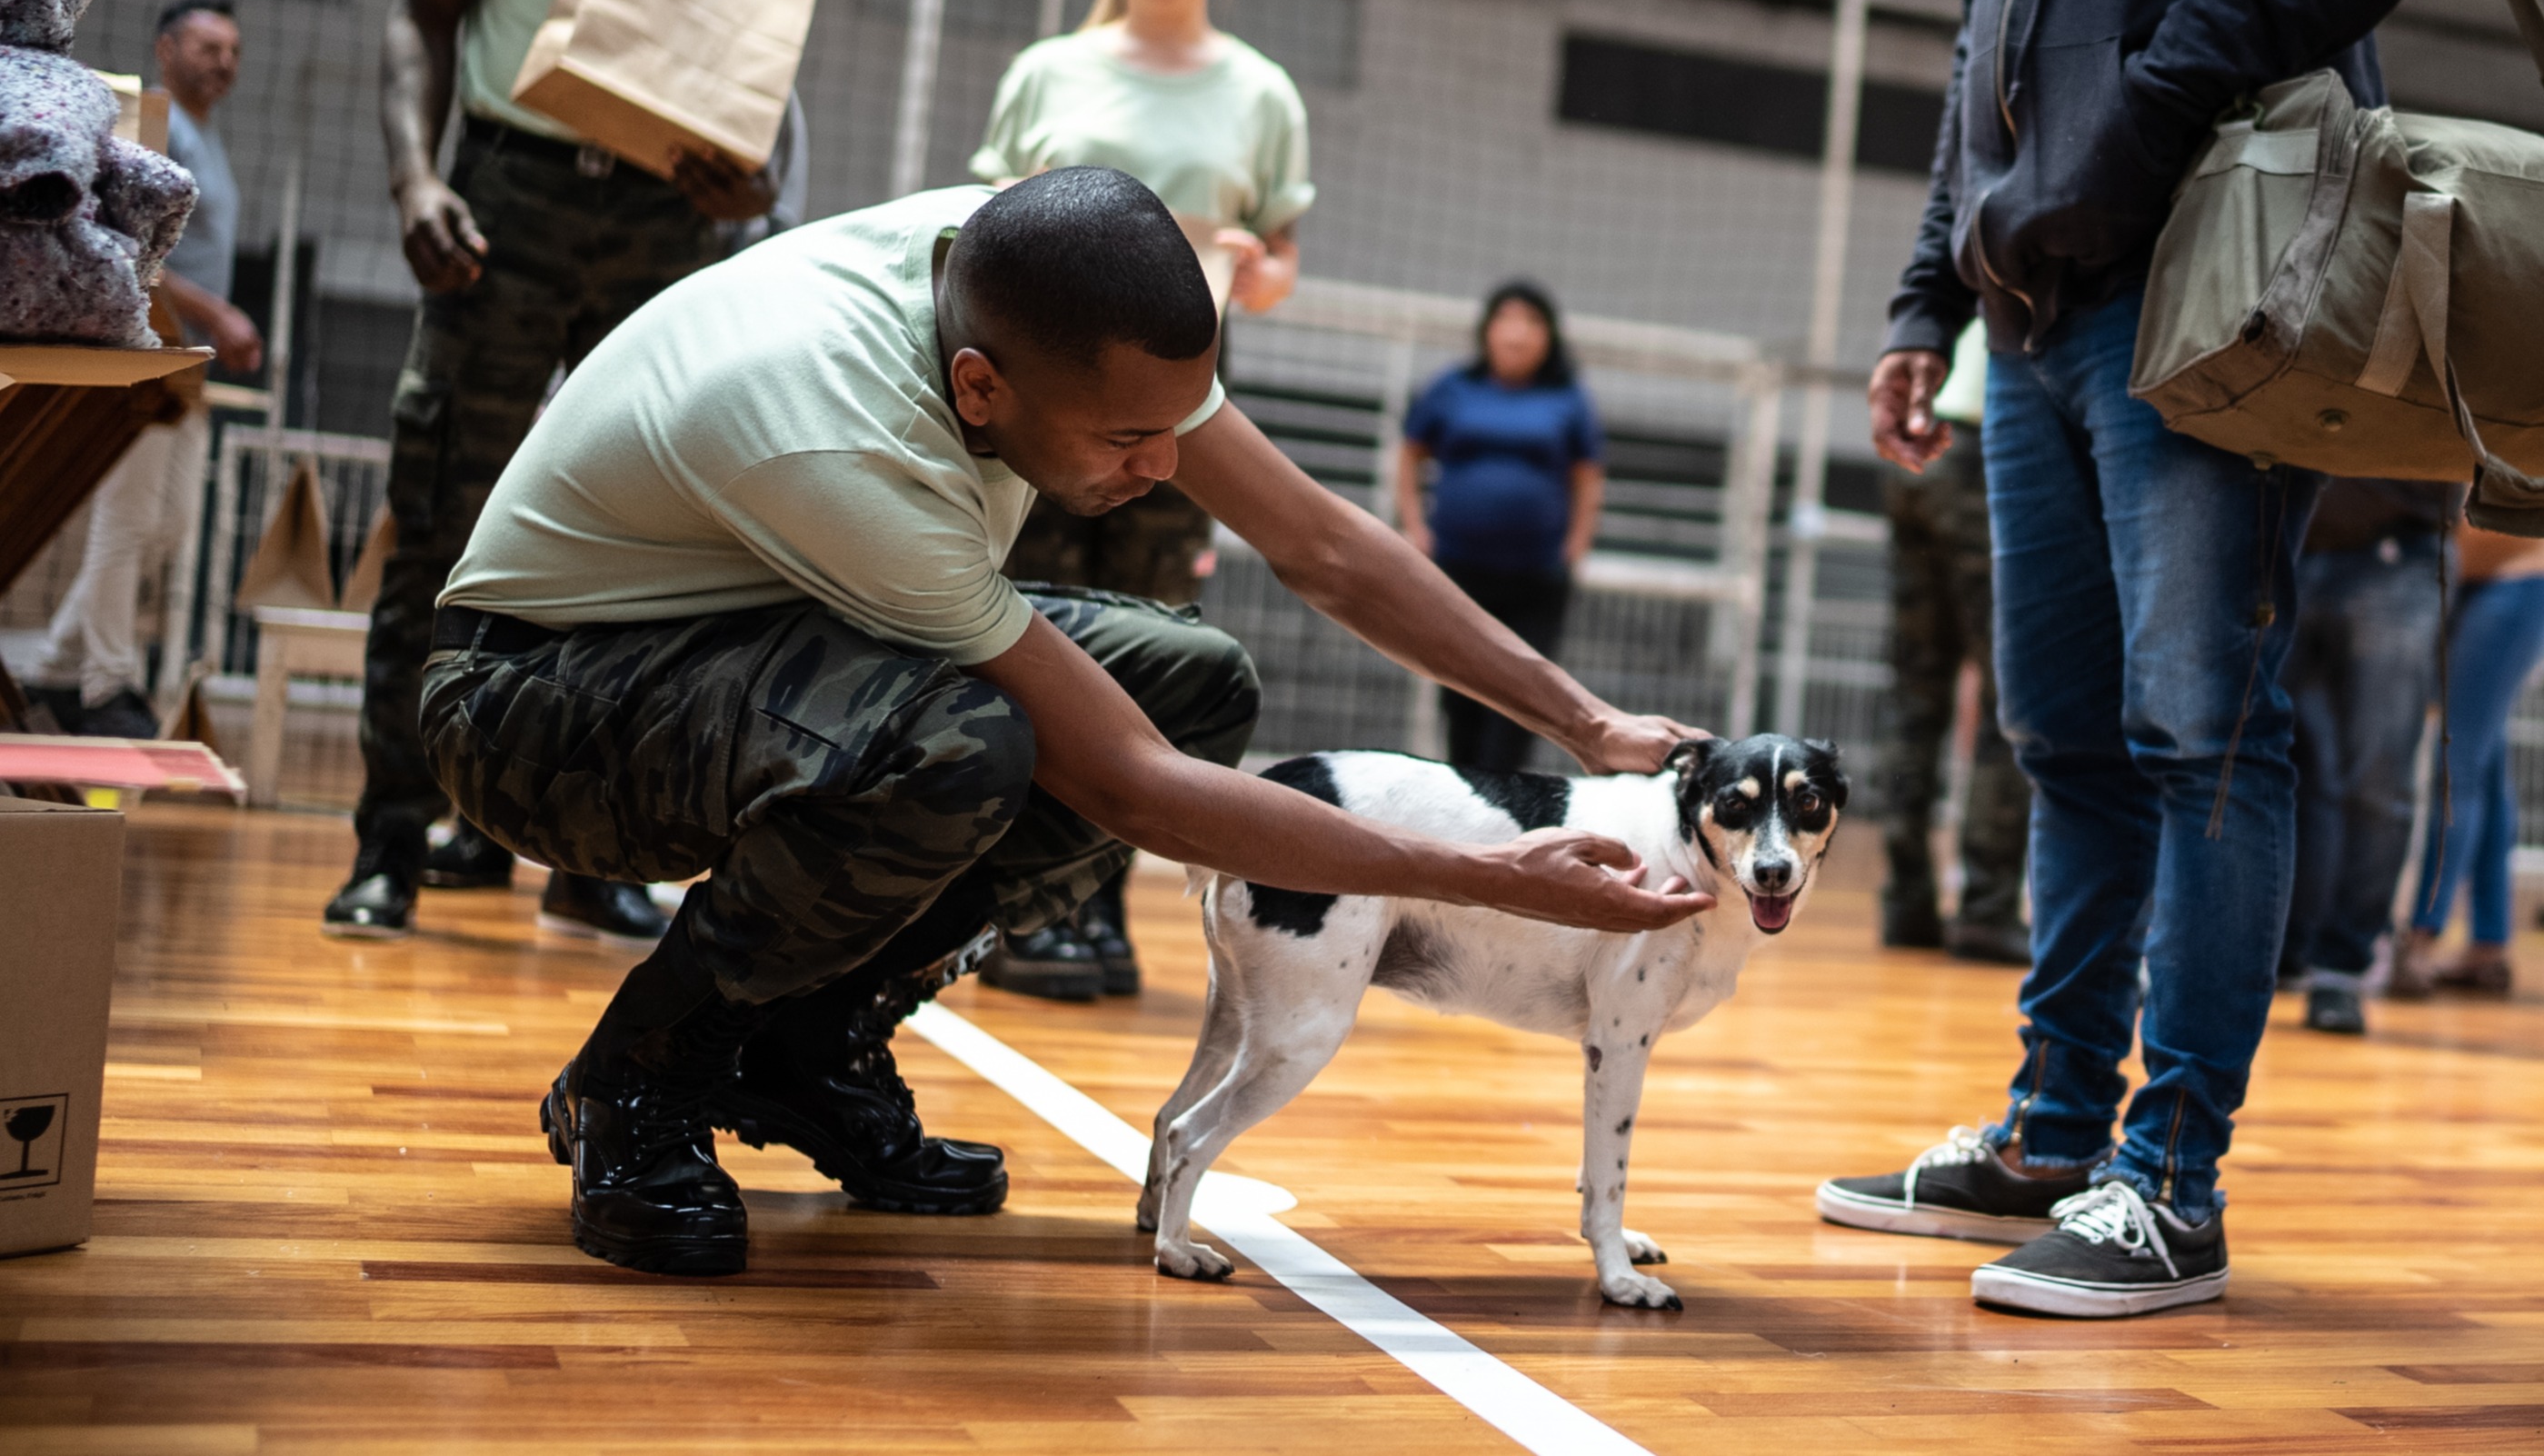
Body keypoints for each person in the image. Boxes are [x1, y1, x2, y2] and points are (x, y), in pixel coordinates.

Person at [422, 167, 1707, 1277]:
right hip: (537, 705)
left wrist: (1585, 722)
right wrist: (1483, 875)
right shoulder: (848, 440)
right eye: (1130, 439)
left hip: (745, 632)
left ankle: (811, 1042)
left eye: (1177, 426)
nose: (1163, 468)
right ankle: (641, 1077)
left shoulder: (1031, 278)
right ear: (981, 389)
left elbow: (1319, 541)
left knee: (1190, 674)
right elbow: (1137, 789)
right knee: (954, 742)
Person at [1813, 0, 2437, 1320]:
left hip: (2209, 301)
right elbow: (1975, 61)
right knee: (2065, 740)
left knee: (2203, 731)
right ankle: (2053, 1126)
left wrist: (2144, 97)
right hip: (2029, 316)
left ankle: (2172, 1178)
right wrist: (1925, 288)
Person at [323, 0, 792, 947]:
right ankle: (389, 846)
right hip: (504, 195)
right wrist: (415, 177)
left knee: (647, 548)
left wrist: (748, 182)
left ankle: (593, 857)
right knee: (446, 525)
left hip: (664, 227)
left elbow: (751, 113)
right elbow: (418, 19)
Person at [964, 0, 1311, 1002]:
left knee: (1154, 646)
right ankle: (1012, 909)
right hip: (1045, 409)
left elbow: (1278, 265)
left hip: (1181, 417)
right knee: (1038, 640)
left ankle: (1094, 899)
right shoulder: (1048, 71)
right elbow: (986, 226)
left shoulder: (1261, 90)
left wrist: (1259, 271)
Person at [31, 0, 264, 738]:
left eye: (231, 50)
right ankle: (105, 684)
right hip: (147, 351)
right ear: (166, 49)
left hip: (183, 363)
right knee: (127, 520)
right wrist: (218, 313)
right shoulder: (159, 127)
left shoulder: (207, 137)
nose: (222, 62)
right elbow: (127, 239)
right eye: (207, 47)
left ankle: (57, 666)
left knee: (164, 524)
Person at [1394, 282, 1605, 774]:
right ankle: (1464, 795)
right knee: (1461, 692)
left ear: (1549, 336)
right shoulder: (1453, 388)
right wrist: (1413, 525)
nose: (1517, 334)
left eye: (1532, 322)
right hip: (1457, 570)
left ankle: (1504, 802)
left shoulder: (1568, 399)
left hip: (1535, 577)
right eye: (1506, 320)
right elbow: (1409, 453)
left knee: (1524, 694)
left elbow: (1588, 477)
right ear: (1486, 330)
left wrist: (1576, 546)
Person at [1874, 321, 2032, 962]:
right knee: (2008, 693)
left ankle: (1905, 899)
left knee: (1916, 691)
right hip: (1982, 451)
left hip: (1917, 445)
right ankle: (1988, 906)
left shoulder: (1954, 258)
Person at [2273, 479, 2455, 1036]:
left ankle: (2341, 970)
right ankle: (2259, 953)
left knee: (2378, 781)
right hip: (2275, 545)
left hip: (2399, 551)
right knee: (2233, 763)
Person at [2391, 522, 2544, 1001]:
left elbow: (2473, 528)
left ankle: (2421, 938)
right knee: (2484, 769)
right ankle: (2488, 948)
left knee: (2457, 760)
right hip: (2488, 588)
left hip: (2518, 583)